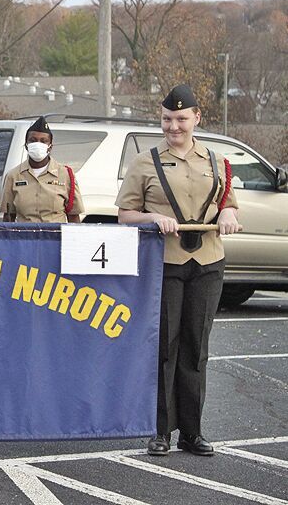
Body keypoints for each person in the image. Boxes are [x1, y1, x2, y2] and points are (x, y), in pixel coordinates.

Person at [116, 84, 240, 457]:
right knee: (166, 348)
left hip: (207, 263)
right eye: (168, 119)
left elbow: (227, 204)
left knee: (196, 348)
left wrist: (230, 213)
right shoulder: (145, 161)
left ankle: (193, 431)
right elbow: (125, 214)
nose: (174, 127)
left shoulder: (216, 161)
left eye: (182, 119)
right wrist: (153, 217)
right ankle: (161, 431)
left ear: (197, 117)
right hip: (166, 263)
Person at [1, 116, 85, 223]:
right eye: (33, 140)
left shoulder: (65, 174)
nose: (38, 144)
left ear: (50, 146)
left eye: (43, 141)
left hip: (55, 236)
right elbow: (8, 217)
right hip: (25, 236)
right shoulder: (13, 175)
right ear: (26, 145)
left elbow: (73, 217)